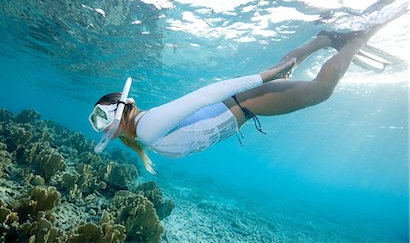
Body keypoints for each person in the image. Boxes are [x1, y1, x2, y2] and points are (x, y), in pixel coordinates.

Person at [89, 26, 386, 174]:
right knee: (285, 72)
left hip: (245, 104)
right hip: (241, 105)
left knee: (321, 90)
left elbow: (203, 96)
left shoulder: (146, 127)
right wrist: (268, 76)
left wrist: (262, 77)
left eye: (101, 117)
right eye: (96, 122)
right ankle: (325, 39)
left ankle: (357, 39)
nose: (101, 127)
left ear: (120, 108)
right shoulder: (143, 127)